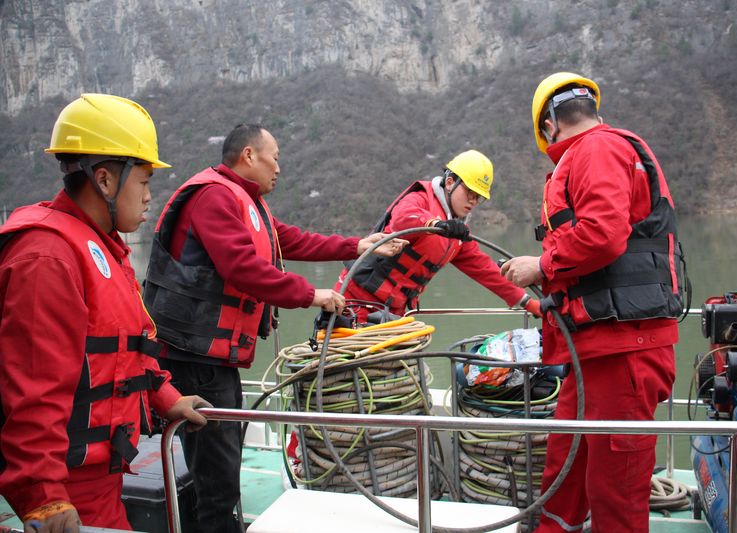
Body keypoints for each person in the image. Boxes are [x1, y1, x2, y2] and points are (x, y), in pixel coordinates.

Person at [142, 123, 406, 533]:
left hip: (214, 358)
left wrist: (359, 245)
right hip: (194, 356)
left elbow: (293, 241)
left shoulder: (247, 203)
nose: (279, 168)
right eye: (275, 158)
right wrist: (312, 294)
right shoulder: (214, 197)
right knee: (217, 478)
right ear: (249, 155)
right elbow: (242, 267)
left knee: (223, 467)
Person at [0, 94, 210, 533]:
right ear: (105, 180)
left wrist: (169, 399)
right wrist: (45, 498)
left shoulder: (101, 247)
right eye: (144, 181)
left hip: (104, 476)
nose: (149, 197)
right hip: (68, 487)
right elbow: (33, 387)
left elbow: (125, 352)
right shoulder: (48, 258)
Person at [501, 72, 685, 532]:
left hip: (624, 351)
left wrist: (541, 266)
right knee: (565, 468)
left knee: (615, 491)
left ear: (548, 125)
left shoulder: (598, 150)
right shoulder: (595, 152)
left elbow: (603, 234)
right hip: (593, 353)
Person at [335, 149, 540, 322]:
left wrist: (527, 302)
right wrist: (436, 224)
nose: (473, 201)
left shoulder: (456, 232)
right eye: (470, 192)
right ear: (450, 182)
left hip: (393, 311)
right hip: (357, 301)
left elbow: (485, 270)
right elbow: (403, 217)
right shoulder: (421, 198)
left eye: (479, 197)